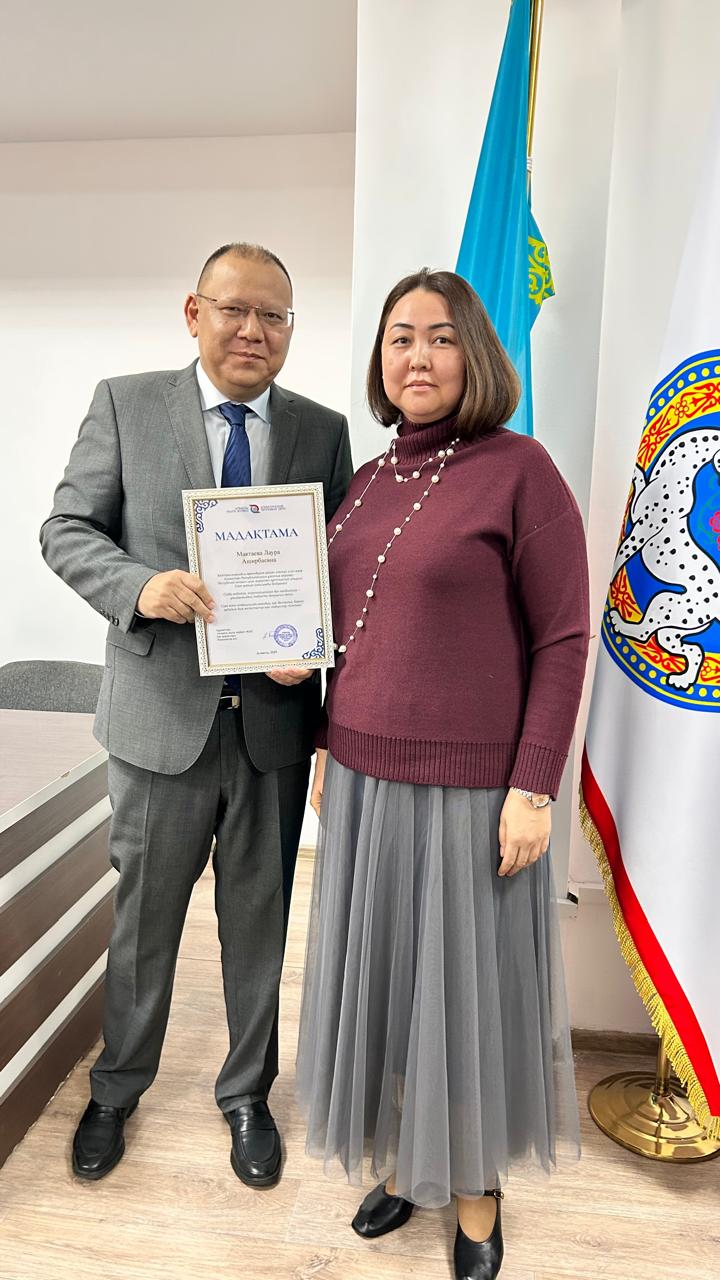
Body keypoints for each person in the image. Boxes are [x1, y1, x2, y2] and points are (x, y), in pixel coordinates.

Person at [296, 269, 589, 1280]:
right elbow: (355, 630)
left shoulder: (521, 470)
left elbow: (563, 638)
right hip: (362, 780)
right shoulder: (368, 479)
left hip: (475, 794)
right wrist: (325, 737)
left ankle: (474, 1194)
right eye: (397, 338)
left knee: (464, 1001)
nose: (415, 356)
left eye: (438, 337)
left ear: (475, 352)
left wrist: (534, 786)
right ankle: (407, 1161)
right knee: (386, 990)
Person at [40, 241, 352, 1186]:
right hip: (157, 726)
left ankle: (247, 1095)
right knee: (143, 923)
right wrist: (139, 588)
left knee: (260, 923)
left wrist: (315, 647)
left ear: (290, 329)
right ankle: (116, 1088)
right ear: (194, 313)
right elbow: (65, 529)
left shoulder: (322, 430)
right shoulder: (126, 404)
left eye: (273, 316)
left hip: (272, 730)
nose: (253, 330)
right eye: (234, 310)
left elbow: (339, 571)